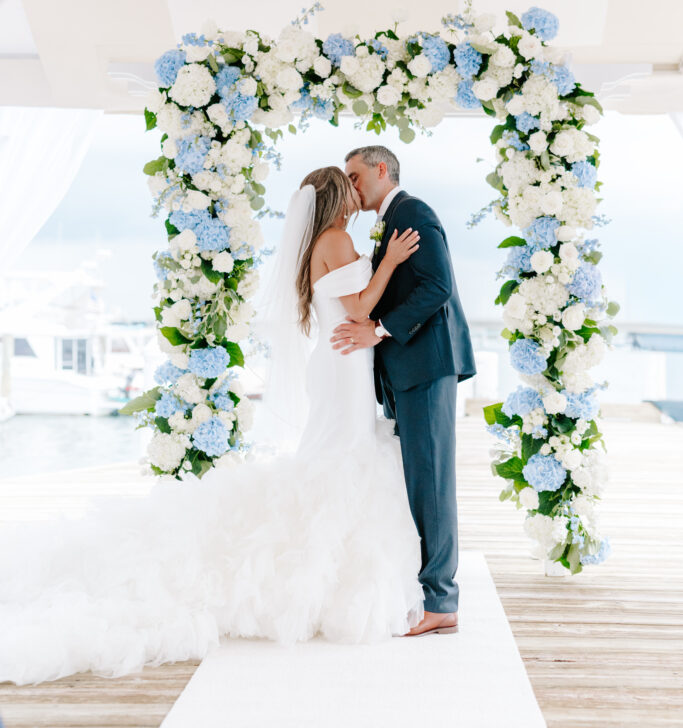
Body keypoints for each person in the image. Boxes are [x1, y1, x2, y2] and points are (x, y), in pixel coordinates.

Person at [0, 165, 438, 686]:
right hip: (345, 364)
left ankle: (325, 570)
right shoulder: (336, 238)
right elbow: (360, 308)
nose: (355, 191)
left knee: (333, 457)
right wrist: (389, 262)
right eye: (349, 185)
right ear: (337, 197)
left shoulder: (322, 241)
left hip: (341, 361)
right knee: (341, 458)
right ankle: (324, 573)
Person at [331, 145, 477, 637]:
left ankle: (441, 601)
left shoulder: (413, 212)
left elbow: (437, 287)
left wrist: (378, 330)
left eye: (355, 176)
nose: (351, 187)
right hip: (407, 369)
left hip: (426, 367)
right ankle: (426, 590)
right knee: (417, 480)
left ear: (381, 169)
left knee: (431, 483)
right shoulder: (390, 220)